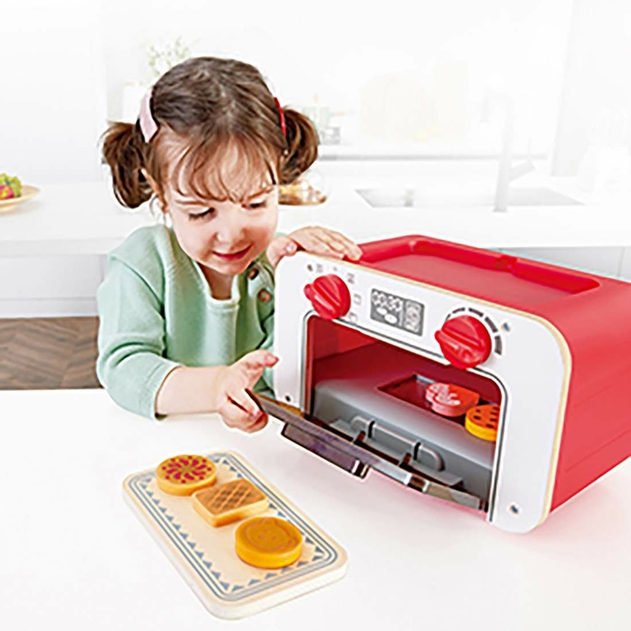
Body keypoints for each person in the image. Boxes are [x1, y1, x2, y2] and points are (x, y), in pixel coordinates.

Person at [97, 56, 361, 433]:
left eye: (255, 203)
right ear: (162, 194)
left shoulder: (279, 260)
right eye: (202, 212)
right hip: (168, 439)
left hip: (259, 447)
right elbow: (124, 370)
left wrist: (298, 283)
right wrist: (218, 386)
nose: (232, 234)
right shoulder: (143, 262)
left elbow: (287, 374)